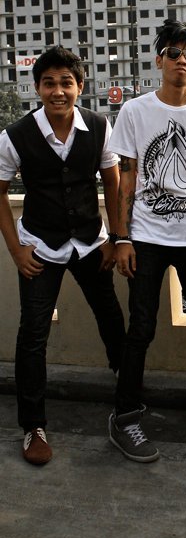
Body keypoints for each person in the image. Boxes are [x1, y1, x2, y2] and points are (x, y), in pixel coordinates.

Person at [108, 19, 186, 463]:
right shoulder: (135, 111)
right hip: (146, 235)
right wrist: (121, 237)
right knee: (141, 326)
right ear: (159, 60)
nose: (182, 61)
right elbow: (126, 178)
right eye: (174, 53)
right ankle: (125, 415)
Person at [0, 46, 126, 465]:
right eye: (49, 83)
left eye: (66, 82)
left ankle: (128, 400)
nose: (58, 91)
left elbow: (113, 183)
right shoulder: (15, 135)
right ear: (37, 88)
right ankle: (33, 426)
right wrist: (16, 250)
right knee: (33, 334)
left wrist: (116, 237)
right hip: (40, 245)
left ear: (80, 86)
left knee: (111, 318)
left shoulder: (99, 125)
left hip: (91, 241)